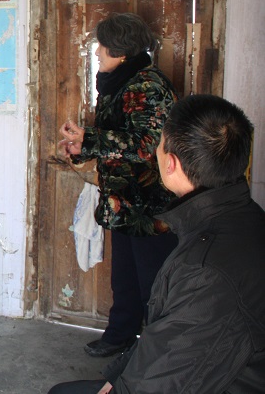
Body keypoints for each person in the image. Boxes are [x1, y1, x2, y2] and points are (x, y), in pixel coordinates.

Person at [49, 94, 265, 393]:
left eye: (159, 146)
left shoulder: (205, 273)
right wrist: (117, 375)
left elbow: (167, 378)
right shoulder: (244, 216)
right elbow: (167, 338)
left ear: (171, 163)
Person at [59, 13, 178, 357]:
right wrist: (80, 148)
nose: (97, 52)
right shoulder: (118, 83)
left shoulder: (148, 85)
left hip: (150, 205)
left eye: (103, 45)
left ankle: (157, 354)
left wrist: (90, 139)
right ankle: (120, 336)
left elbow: (146, 145)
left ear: (122, 52)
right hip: (123, 201)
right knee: (124, 277)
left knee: (154, 283)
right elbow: (112, 140)